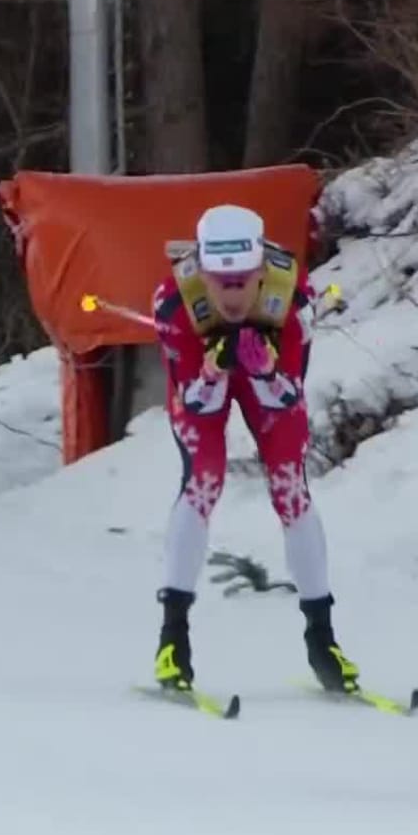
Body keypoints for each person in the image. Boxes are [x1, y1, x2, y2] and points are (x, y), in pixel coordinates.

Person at [148, 204, 364, 698]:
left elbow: (288, 394)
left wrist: (264, 370)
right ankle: (173, 638)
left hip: (270, 376)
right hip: (206, 379)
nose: (231, 295)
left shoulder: (293, 297)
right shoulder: (175, 303)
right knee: (204, 478)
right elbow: (195, 405)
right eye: (220, 281)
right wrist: (213, 371)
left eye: (243, 281)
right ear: (201, 272)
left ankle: (322, 638)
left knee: (289, 485)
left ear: (261, 272)